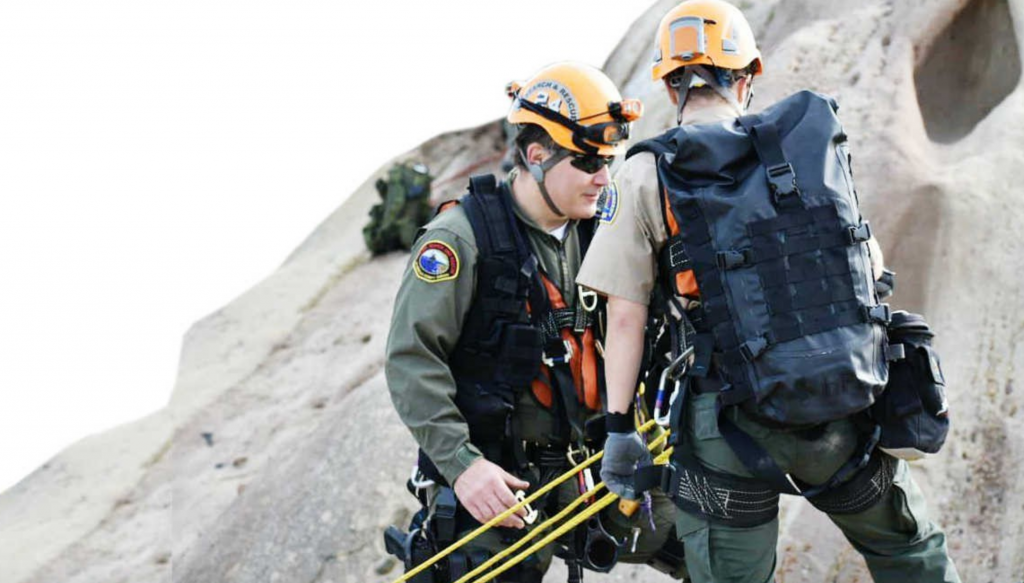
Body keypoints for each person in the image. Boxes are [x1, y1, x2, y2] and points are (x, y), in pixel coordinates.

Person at [575, 1, 961, 582]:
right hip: (840, 398)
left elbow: (624, 319)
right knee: (909, 551)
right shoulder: (808, 149)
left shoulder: (646, 172)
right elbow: (871, 268)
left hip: (726, 422)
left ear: (670, 81)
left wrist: (619, 430)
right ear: (748, 75)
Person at [385, 62, 688, 582]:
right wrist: (463, 468)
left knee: (712, 542)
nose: (603, 177)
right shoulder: (459, 240)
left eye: (608, 161)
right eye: (587, 161)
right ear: (536, 156)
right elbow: (410, 361)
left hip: (598, 463)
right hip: (496, 473)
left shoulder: (604, 228)